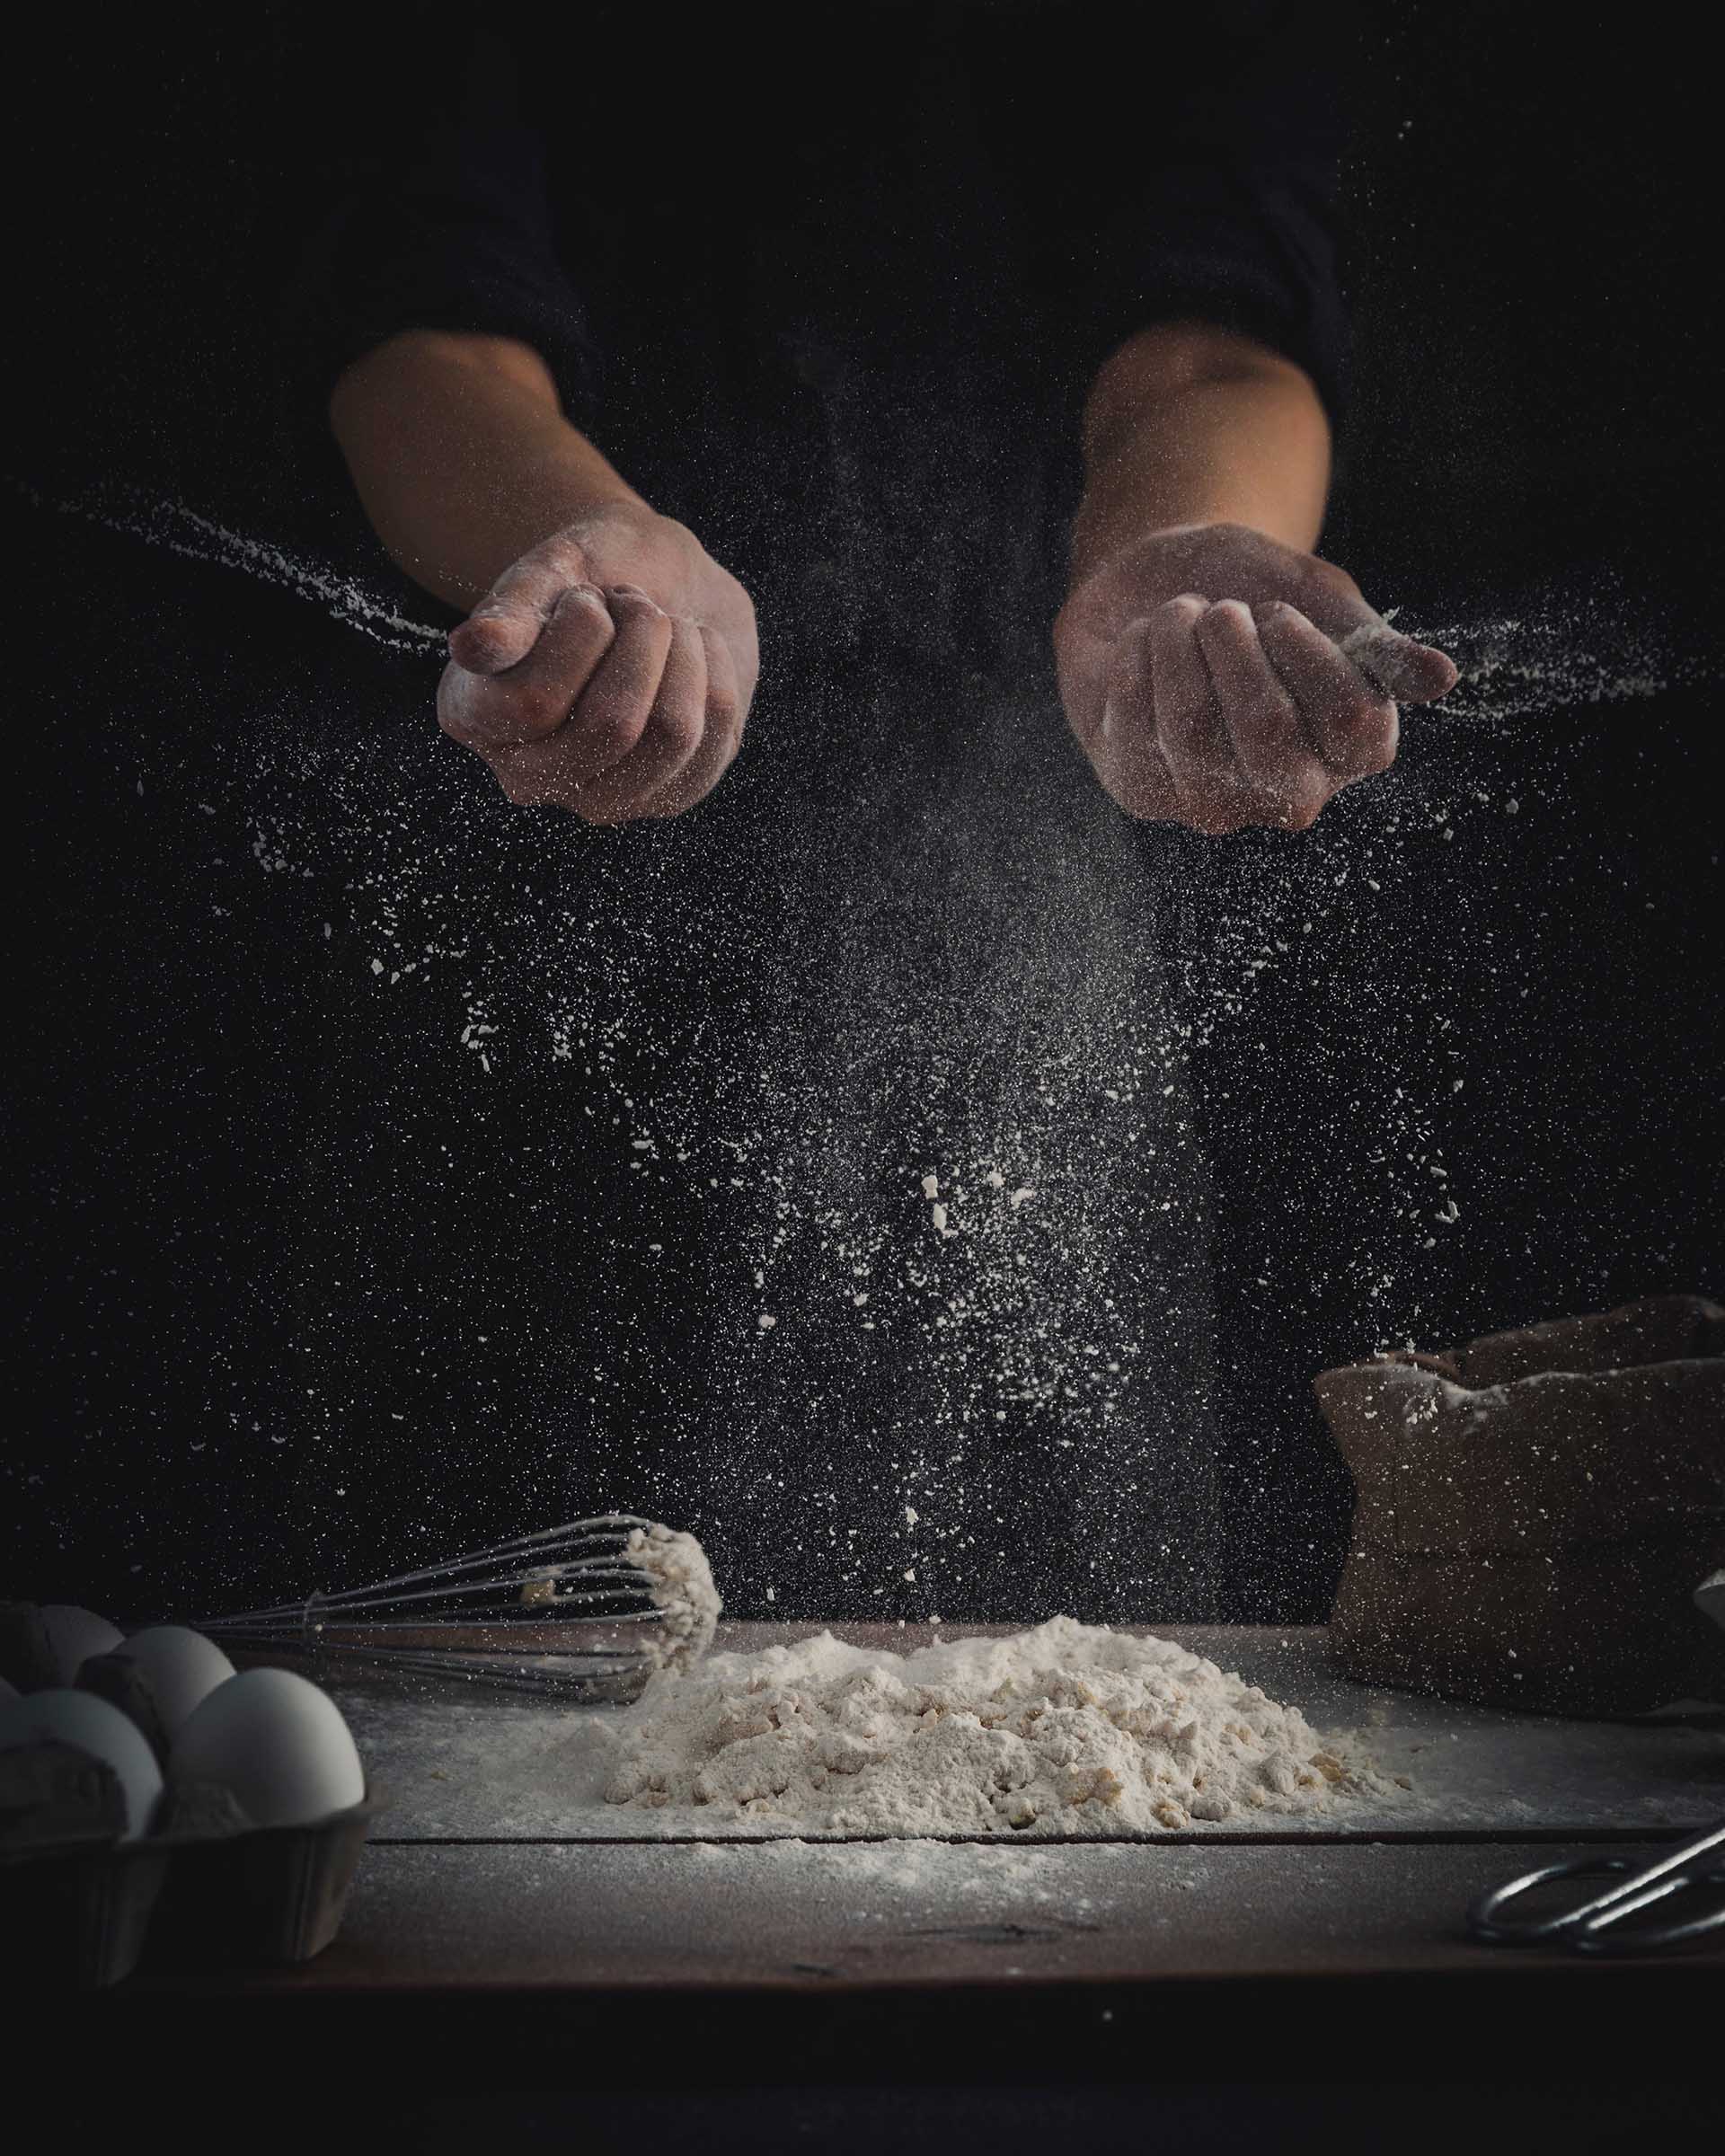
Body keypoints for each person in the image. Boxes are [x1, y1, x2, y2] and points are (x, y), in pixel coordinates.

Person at [284, 2, 1461, 1618]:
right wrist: (588, 546)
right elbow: (428, 324)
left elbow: (1221, 333)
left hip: (1038, 883)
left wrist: (1174, 551)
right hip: (566, 806)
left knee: (1079, 1678)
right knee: (507, 1675)